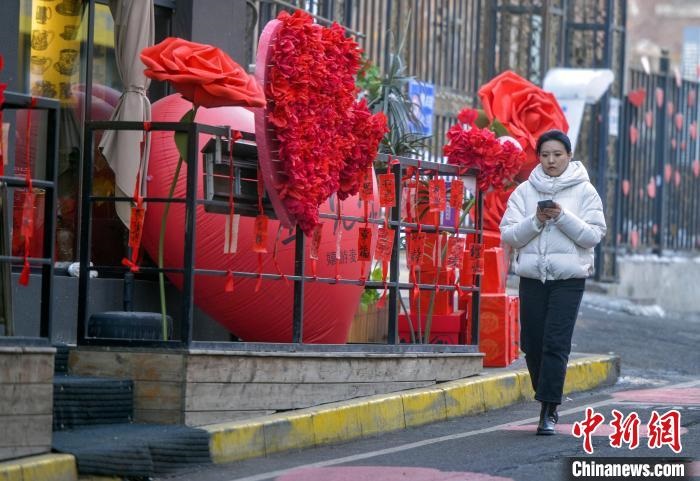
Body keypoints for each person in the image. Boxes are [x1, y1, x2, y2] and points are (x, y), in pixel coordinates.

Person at [500, 129, 606, 435]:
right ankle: (544, 393)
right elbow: (508, 234)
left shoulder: (585, 192)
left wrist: (561, 217)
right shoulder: (523, 192)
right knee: (532, 344)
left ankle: (549, 409)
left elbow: (593, 235)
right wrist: (536, 221)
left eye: (557, 154)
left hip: (568, 280)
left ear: (569, 156)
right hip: (533, 278)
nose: (551, 161)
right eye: (545, 155)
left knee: (556, 343)